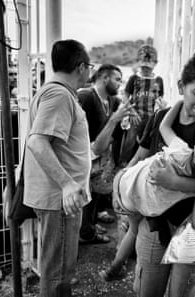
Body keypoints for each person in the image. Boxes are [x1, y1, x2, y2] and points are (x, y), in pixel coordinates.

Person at [123, 49, 195, 296]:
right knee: (146, 291)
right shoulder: (162, 118)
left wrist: (173, 181)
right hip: (155, 223)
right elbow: (141, 154)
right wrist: (125, 180)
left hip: (194, 232)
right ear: (180, 86)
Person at [99, 100, 195, 282]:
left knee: (132, 230)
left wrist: (179, 103)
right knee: (133, 231)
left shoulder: (181, 151)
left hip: (123, 185)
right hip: (137, 205)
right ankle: (116, 266)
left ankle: (117, 265)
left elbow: (165, 126)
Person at [23, 39, 93, 297]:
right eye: (90, 66)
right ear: (81, 67)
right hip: (60, 201)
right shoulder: (59, 95)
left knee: (58, 269)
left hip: (60, 200)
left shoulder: (55, 93)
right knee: (58, 274)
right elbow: (38, 141)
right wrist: (66, 184)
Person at [77, 64, 132, 244]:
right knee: (85, 196)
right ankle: (85, 232)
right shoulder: (86, 96)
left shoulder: (112, 101)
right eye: (117, 79)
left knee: (94, 195)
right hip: (85, 155)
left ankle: (89, 227)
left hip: (100, 158)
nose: (120, 83)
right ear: (104, 78)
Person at [117, 44, 165, 166]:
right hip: (135, 116)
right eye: (143, 66)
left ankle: (141, 165)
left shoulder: (159, 81)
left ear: (155, 64)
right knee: (130, 140)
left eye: (148, 67)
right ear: (138, 62)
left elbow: (160, 98)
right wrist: (131, 111)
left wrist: (161, 110)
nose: (145, 69)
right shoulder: (134, 79)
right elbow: (125, 95)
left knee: (145, 142)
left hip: (150, 118)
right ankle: (123, 163)